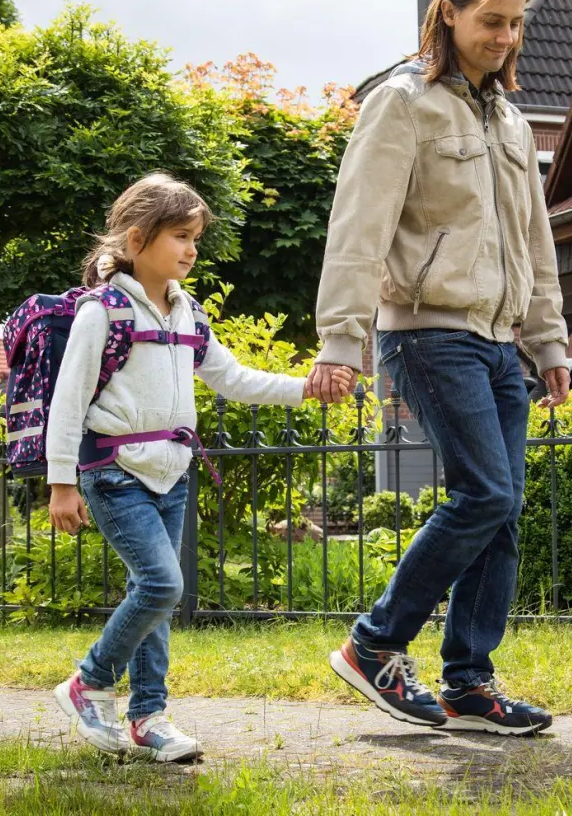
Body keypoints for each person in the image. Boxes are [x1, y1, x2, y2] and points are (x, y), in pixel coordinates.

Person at [307, 0, 571, 737]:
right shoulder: (402, 105)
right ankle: (376, 644)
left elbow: (537, 237)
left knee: (505, 509)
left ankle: (468, 684)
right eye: (492, 20)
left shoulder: (513, 121)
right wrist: (339, 341)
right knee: (485, 493)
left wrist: (551, 340)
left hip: (499, 339)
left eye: (516, 22)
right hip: (426, 331)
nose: (506, 36)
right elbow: (359, 226)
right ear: (447, 14)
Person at [46, 173, 352, 760]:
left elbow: (233, 379)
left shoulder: (188, 312)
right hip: (114, 472)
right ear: (137, 240)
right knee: (163, 585)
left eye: (195, 239)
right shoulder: (102, 312)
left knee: (152, 594)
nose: (191, 250)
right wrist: (62, 483)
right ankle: (88, 682)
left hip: (172, 472)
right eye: (180, 237)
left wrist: (305, 389)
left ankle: (148, 718)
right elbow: (69, 399)